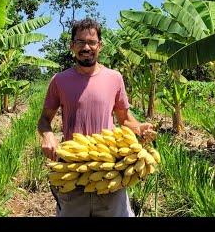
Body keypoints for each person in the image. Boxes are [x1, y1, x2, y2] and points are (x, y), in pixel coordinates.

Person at [37, 17, 155, 217]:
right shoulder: (60, 80)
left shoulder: (114, 78)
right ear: (72, 46)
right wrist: (48, 136)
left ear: (100, 45)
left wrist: (139, 128)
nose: (86, 47)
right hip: (73, 170)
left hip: (109, 169)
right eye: (81, 42)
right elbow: (44, 120)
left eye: (92, 42)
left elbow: (125, 118)